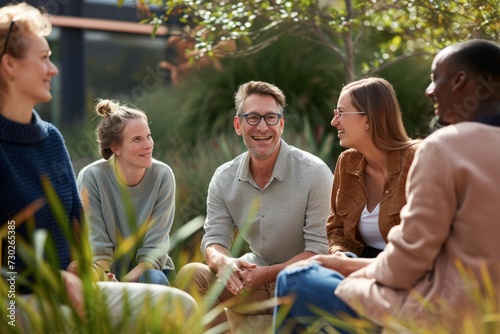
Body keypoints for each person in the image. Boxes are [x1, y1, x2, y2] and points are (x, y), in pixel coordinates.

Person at [274, 39, 500, 333]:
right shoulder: (350, 162)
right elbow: (339, 230)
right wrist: (343, 258)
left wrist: (346, 270)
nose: (429, 90)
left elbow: (408, 265)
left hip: (438, 314)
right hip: (478, 307)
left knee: (295, 279)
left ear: (460, 81)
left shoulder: (442, 148)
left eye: (435, 78)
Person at [0, 3, 198, 332]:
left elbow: (77, 234)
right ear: (9, 65)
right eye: (44, 57)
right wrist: (50, 280)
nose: (54, 69)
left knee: (180, 306)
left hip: (75, 289)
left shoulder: (51, 139)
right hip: (13, 300)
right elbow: (6, 249)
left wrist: (82, 269)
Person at [176, 80, 333, 332]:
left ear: (281, 124)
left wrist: (267, 273)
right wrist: (223, 262)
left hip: (302, 285)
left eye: (271, 118)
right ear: (238, 125)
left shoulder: (315, 173)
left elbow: (319, 251)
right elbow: (214, 238)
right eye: (253, 118)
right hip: (253, 283)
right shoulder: (224, 177)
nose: (262, 126)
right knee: (191, 274)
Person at [77, 99, 175, 286]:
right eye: (137, 139)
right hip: (106, 275)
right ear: (116, 147)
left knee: (152, 278)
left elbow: (153, 252)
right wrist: (107, 279)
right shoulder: (91, 177)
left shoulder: (163, 175)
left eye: (148, 136)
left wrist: (123, 283)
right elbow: (97, 246)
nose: (148, 145)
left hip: (151, 273)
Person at [326, 77, 419, 259]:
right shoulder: (346, 162)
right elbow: (337, 229)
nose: (334, 121)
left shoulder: (418, 160)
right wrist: (340, 255)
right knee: (297, 278)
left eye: (341, 113)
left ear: (368, 119)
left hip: (407, 269)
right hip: (359, 265)